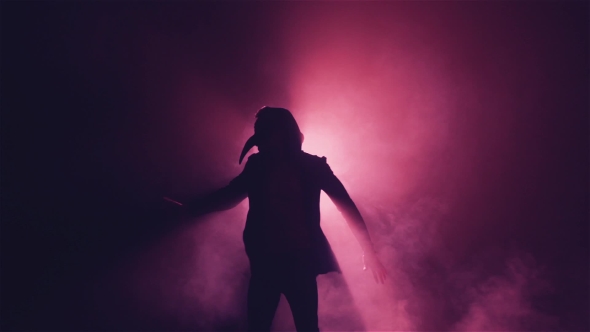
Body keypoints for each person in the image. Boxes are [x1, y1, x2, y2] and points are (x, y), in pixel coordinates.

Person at [180, 106, 387, 332]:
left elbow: (345, 206)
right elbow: (230, 196)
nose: (258, 143)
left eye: (263, 136)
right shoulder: (259, 166)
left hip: (296, 262)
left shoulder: (310, 167)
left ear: (280, 134)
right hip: (269, 263)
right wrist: (192, 208)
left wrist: (369, 250)